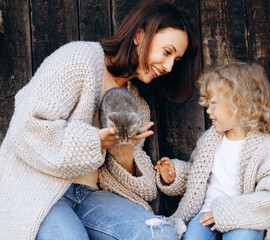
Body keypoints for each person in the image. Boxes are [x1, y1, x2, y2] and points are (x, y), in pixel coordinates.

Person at [0, 0, 199, 239]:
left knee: (158, 233)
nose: (168, 66)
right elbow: (28, 128)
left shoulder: (136, 104)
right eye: (167, 52)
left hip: (89, 196)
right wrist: (97, 142)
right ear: (138, 35)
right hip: (38, 186)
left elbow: (141, 189)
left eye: (175, 60)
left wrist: (124, 154)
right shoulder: (79, 59)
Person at [155, 62, 270, 240]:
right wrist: (175, 175)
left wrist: (231, 211)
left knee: (240, 237)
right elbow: (198, 176)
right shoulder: (210, 141)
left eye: (214, 104)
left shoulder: (264, 146)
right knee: (193, 237)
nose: (208, 110)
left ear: (239, 103)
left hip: (245, 217)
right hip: (206, 214)